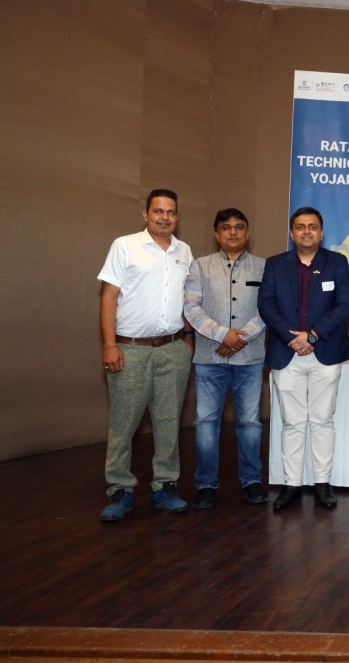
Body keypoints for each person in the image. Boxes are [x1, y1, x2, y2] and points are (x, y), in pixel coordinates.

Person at [97, 189, 195, 521]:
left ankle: (165, 486)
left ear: (177, 216)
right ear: (146, 214)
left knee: (169, 422)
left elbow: (187, 298)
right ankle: (120, 489)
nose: (165, 217)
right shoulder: (124, 246)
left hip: (173, 349)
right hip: (130, 349)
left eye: (171, 212)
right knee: (123, 423)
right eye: (158, 211)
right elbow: (108, 298)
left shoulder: (184, 251)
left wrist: (187, 339)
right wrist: (109, 344)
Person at [258, 207, 349, 511]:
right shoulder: (275, 264)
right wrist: (292, 339)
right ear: (292, 233)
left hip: (324, 351)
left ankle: (322, 483)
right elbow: (266, 305)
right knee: (292, 423)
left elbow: (344, 303)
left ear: (321, 232)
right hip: (286, 353)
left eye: (312, 226)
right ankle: (292, 484)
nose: (307, 231)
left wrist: (312, 335)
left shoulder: (337, 263)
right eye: (300, 226)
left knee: (323, 420)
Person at [183, 208, 268, 509]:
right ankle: (206, 484)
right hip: (209, 358)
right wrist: (223, 335)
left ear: (247, 232)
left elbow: (268, 308)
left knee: (249, 423)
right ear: (217, 234)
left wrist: (240, 337)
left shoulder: (264, 267)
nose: (233, 232)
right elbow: (191, 308)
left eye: (239, 227)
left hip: (250, 357)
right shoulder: (199, 266)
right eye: (226, 227)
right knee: (206, 423)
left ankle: (251, 481)